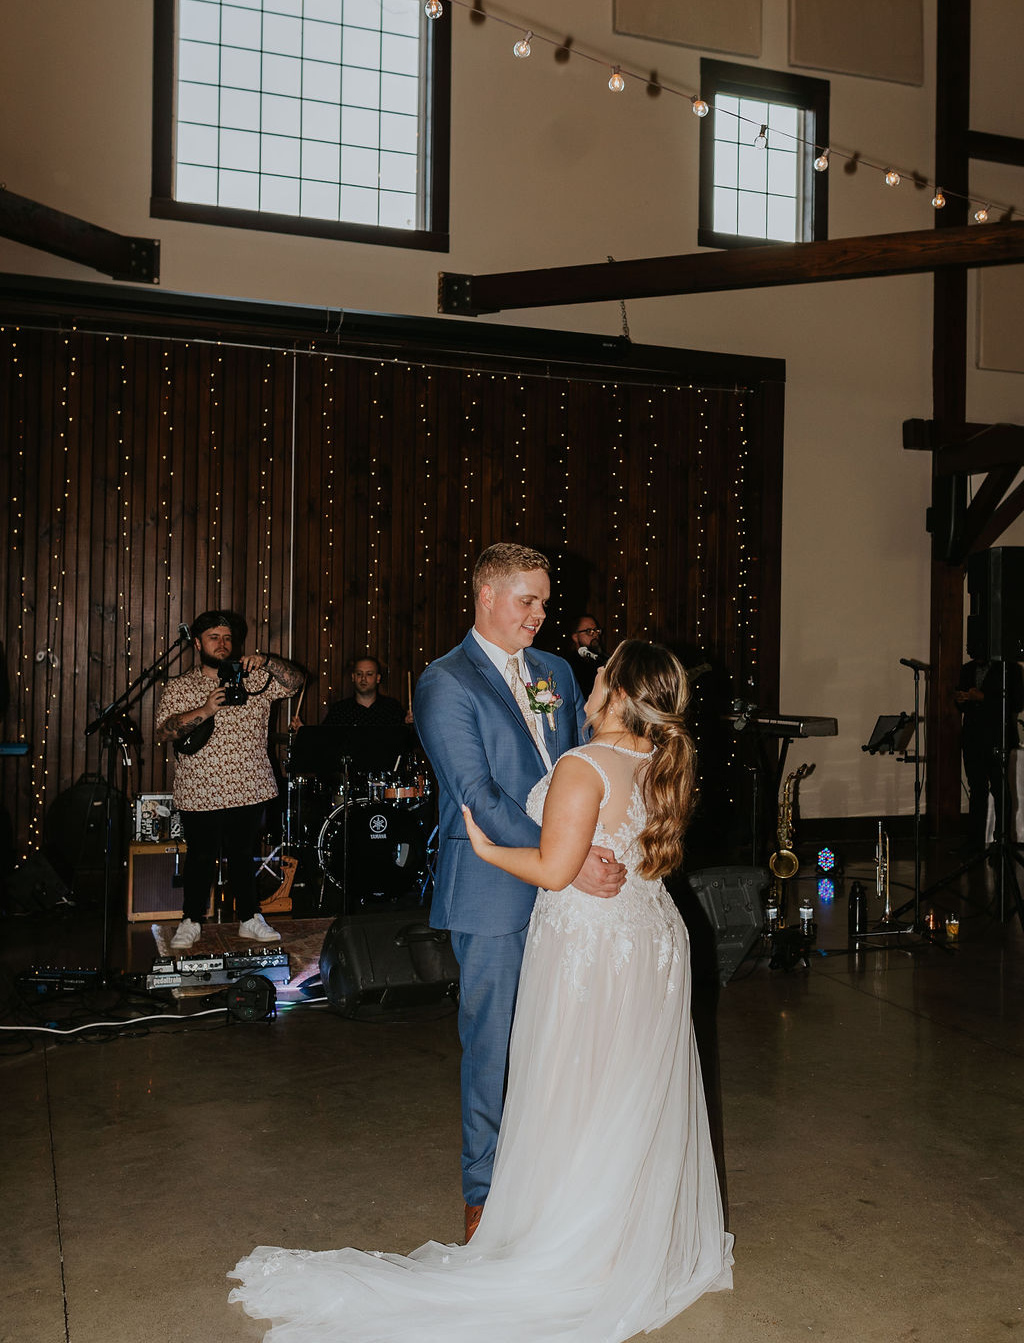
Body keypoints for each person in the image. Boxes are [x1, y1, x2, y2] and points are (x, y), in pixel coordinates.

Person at [227, 640, 734, 1342]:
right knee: (626, 1088)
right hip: (650, 940)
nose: (589, 676)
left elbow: (557, 869)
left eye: (604, 671)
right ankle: (627, 1238)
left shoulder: (584, 763)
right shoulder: (659, 760)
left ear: (617, 691)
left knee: (573, 1087)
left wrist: (491, 849)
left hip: (592, 946)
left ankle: (574, 1244)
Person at [155, 610, 305, 951]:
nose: (222, 644)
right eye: (213, 637)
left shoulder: (254, 680)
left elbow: (295, 681)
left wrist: (266, 660)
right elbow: (164, 730)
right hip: (200, 789)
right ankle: (191, 920)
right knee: (201, 857)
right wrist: (205, 710)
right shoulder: (180, 686)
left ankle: (249, 919)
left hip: (250, 785)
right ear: (197, 642)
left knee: (244, 854)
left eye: (227, 638)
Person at [955, 657, 1023, 847]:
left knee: (1000, 790)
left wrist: (984, 698)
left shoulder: (1010, 668)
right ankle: (974, 843)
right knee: (976, 790)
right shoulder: (967, 669)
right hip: (972, 739)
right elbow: (961, 703)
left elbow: (1017, 704)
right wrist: (961, 699)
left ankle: (1002, 842)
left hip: (997, 737)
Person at [321, 656, 413, 728]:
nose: (363, 678)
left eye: (369, 674)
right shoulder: (339, 710)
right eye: (359, 674)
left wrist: (409, 725)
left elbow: (407, 741)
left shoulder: (392, 708)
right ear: (353, 677)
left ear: (378, 678)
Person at [566, 612, 607, 697]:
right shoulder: (569, 665)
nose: (595, 635)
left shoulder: (601, 660)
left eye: (596, 630)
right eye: (589, 631)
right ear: (575, 637)